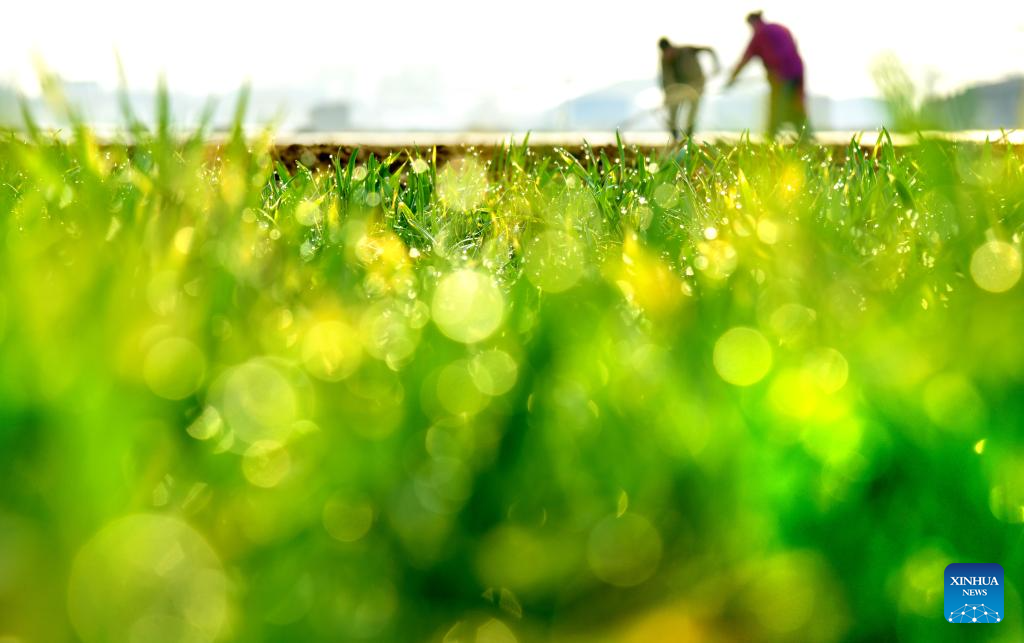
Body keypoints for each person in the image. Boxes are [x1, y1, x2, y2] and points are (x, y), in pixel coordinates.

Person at [726, 11, 808, 136]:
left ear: (753, 22)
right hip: (797, 71)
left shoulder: (759, 34)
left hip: (782, 75)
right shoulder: (780, 28)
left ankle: (772, 138)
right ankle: (806, 137)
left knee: (776, 108)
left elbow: (745, 59)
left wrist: (731, 79)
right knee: (797, 105)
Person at [659, 38, 719, 141]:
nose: (668, 55)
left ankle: (689, 135)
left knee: (693, 111)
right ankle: (674, 136)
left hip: (696, 86)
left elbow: (709, 50)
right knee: (672, 109)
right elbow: (666, 79)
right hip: (679, 89)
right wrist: (668, 95)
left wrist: (716, 65)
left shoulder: (687, 50)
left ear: (671, 47)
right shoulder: (665, 60)